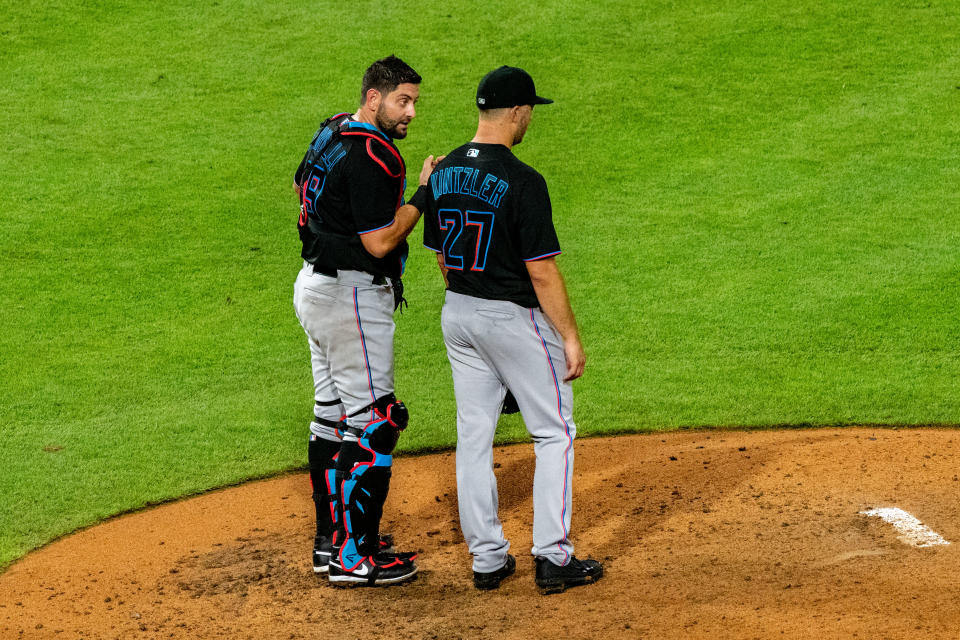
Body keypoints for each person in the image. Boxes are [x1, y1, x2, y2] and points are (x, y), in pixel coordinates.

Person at [421, 66, 603, 593]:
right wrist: (569, 336)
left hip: (458, 312)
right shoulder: (524, 181)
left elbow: (441, 258)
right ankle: (553, 556)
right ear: (518, 112)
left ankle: (487, 559)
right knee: (554, 431)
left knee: (473, 435)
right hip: (513, 318)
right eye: (530, 113)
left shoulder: (444, 169)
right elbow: (541, 269)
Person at [292, 55, 437, 586]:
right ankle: (358, 557)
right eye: (403, 100)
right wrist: (423, 193)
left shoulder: (330, 131)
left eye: (415, 101)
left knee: (331, 416)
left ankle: (330, 544)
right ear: (373, 98)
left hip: (312, 287)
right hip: (351, 297)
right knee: (375, 422)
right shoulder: (377, 157)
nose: (411, 113)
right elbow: (380, 241)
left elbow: (298, 190)